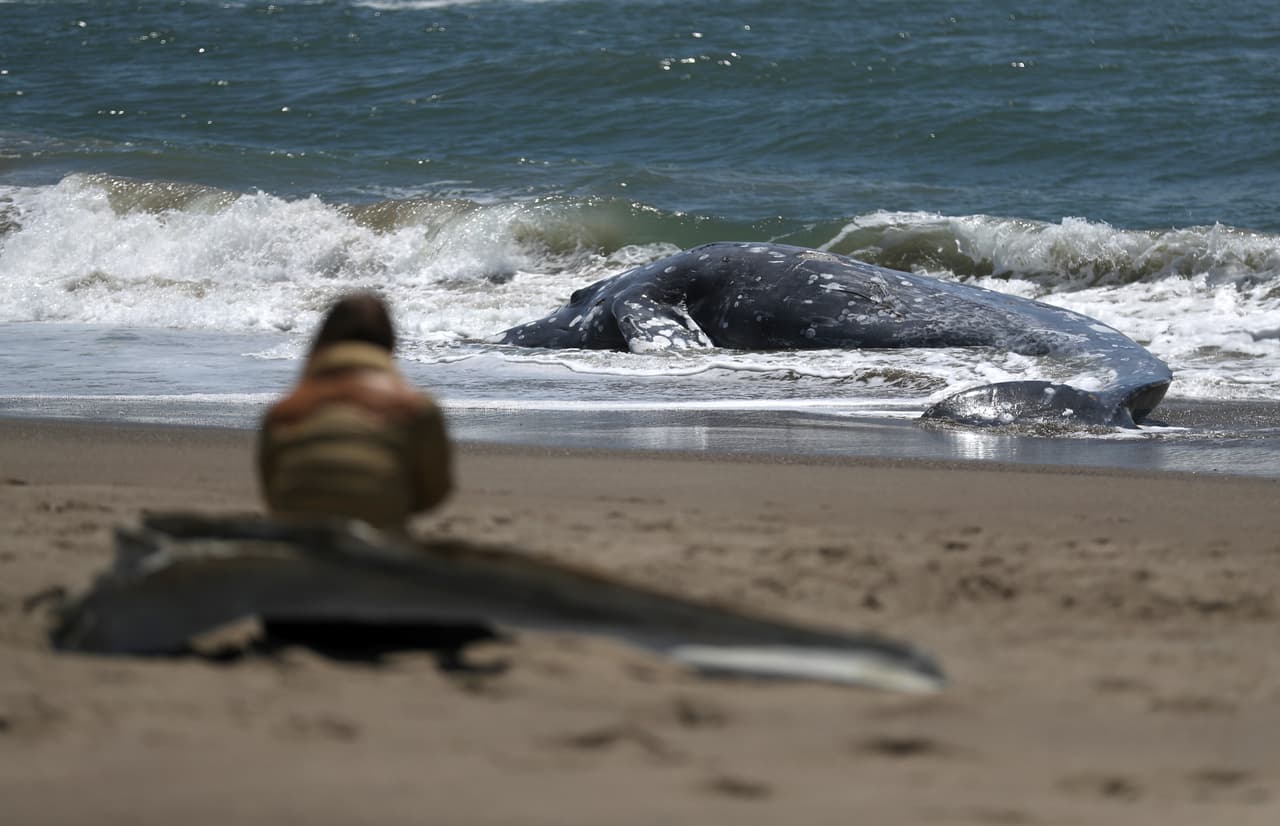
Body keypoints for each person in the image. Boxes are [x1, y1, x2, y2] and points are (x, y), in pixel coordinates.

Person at [256, 293, 452, 533]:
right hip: (375, 540)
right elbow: (434, 493)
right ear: (389, 341)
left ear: (323, 340)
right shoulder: (412, 407)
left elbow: (272, 492)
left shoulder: (285, 410)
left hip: (297, 538)